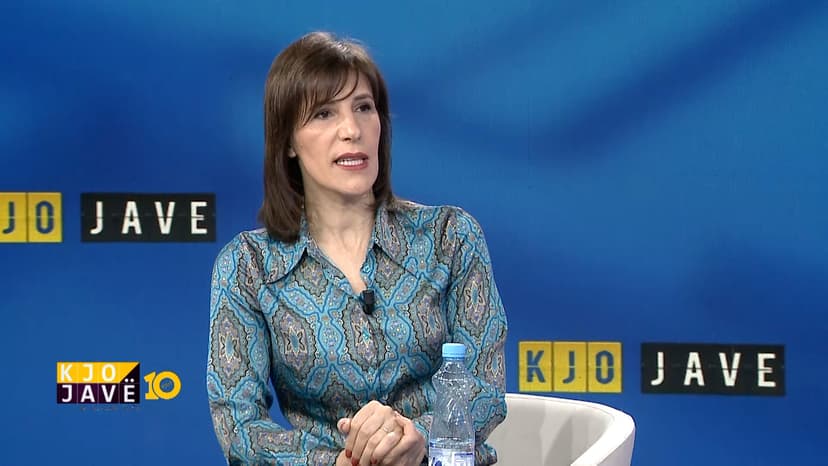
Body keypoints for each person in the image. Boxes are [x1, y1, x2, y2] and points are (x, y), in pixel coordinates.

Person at [206, 31, 507, 466]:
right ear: (288, 141)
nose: (352, 130)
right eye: (324, 113)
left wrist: (418, 435)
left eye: (363, 108)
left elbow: (485, 389)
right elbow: (238, 425)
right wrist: (335, 463)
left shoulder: (450, 237)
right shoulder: (248, 267)